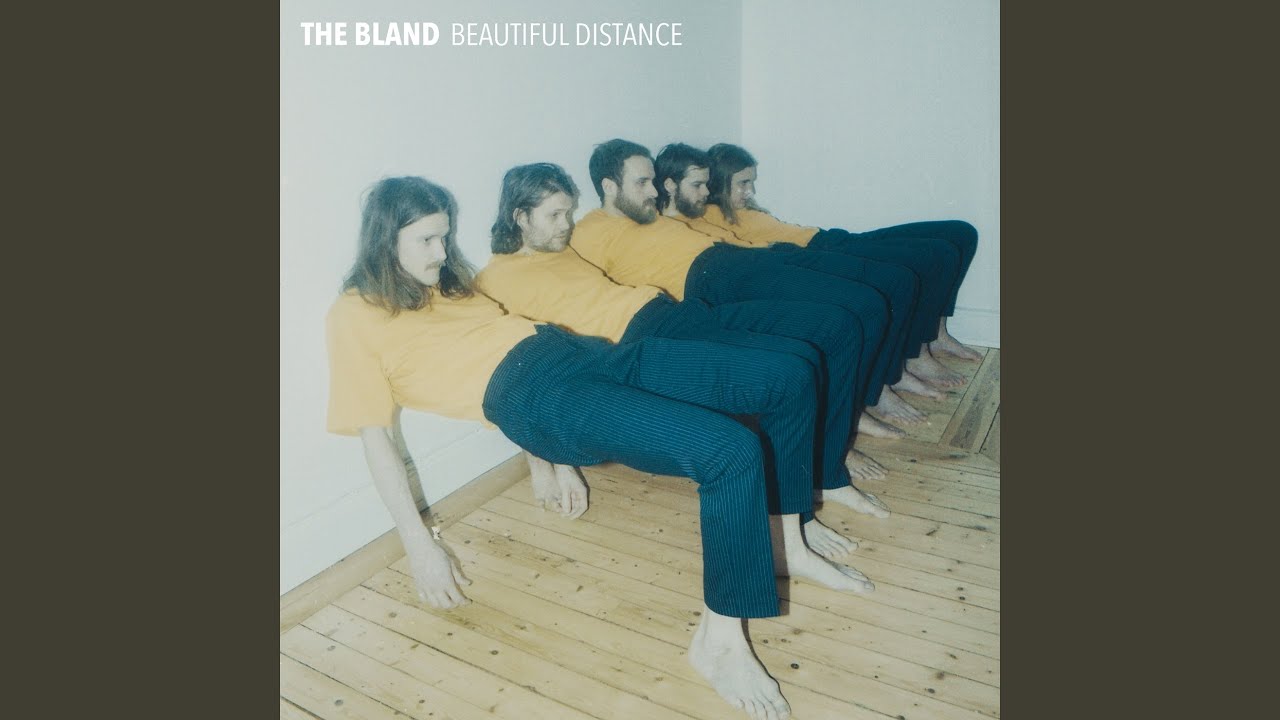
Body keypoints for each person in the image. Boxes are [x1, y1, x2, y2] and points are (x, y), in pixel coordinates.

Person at [327, 175, 873, 720]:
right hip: (534, 396)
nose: (442, 252)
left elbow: (506, 337)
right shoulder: (355, 315)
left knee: (788, 377)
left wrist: (551, 464)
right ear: (384, 237)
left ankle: (788, 544)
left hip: (577, 352)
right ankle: (720, 646)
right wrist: (418, 543)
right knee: (729, 451)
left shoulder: (445, 288)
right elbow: (376, 439)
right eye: (426, 240)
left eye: (444, 237)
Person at [475, 162, 891, 523]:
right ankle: (813, 487)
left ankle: (825, 459)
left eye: (568, 212)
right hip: (642, 343)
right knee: (791, 367)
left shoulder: (563, 247)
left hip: (674, 311)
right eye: (555, 215)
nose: (566, 223)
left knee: (831, 328)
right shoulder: (495, 281)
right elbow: (520, 377)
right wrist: (550, 466)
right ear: (520, 216)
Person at [572, 138, 920, 439]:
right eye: (642, 182)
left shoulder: (648, 215)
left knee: (871, 298)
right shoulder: (589, 232)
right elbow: (591, 297)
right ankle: (847, 423)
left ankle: (861, 402)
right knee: (860, 305)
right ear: (609, 186)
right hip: (708, 281)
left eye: (652, 181)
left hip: (737, 259)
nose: (653, 190)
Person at [655, 142, 949, 420]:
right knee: (878, 292)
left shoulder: (703, 215)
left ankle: (890, 377)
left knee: (906, 273)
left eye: (707, 184)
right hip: (759, 270)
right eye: (699, 185)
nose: (706, 192)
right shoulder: (676, 225)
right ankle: (872, 396)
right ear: (670, 185)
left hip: (783, 255)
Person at [699, 142, 984, 380]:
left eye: (751, 182)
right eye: (743, 183)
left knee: (961, 233)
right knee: (936, 255)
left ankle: (937, 334)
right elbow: (744, 256)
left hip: (832, 238)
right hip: (821, 254)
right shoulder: (709, 217)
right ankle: (917, 355)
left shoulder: (740, 210)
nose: (751, 191)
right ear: (719, 183)